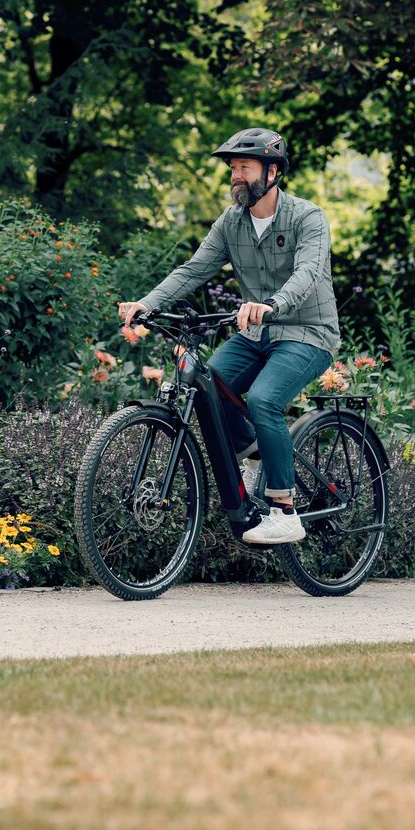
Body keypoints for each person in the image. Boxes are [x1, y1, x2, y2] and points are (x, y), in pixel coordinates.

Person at [118, 127, 339, 545]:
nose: (236, 176)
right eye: (233, 168)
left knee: (262, 400)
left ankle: (284, 510)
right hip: (256, 332)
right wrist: (146, 303)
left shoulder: (307, 217)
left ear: (272, 172)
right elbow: (193, 269)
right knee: (207, 387)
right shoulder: (231, 222)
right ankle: (253, 453)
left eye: (245, 167)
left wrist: (272, 303)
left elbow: (308, 273)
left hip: (308, 331)